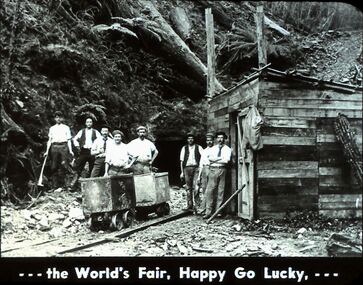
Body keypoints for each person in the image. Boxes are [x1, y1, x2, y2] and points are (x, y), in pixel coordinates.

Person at [203, 131, 232, 219]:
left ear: (224, 139)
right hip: (213, 170)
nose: (220, 139)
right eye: (218, 138)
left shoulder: (227, 149)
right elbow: (209, 159)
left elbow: (226, 160)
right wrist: (220, 158)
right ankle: (208, 212)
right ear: (216, 139)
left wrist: (215, 159)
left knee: (221, 191)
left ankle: (218, 212)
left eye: (222, 138)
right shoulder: (213, 148)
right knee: (210, 191)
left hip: (222, 170)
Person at [44, 111, 74, 189]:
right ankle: (55, 186)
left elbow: (69, 140)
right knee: (54, 166)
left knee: (64, 165)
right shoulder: (52, 128)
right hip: (54, 147)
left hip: (64, 146)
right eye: (57, 117)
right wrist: (47, 151)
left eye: (60, 117)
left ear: (62, 118)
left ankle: (67, 185)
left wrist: (70, 150)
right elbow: (49, 140)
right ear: (55, 118)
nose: (58, 119)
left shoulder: (66, 127)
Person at [70, 117, 101, 189]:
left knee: (92, 167)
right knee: (79, 167)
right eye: (87, 122)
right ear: (85, 123)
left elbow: (100, 140)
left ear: (92, 123)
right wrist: (77, 146)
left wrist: (97, 148)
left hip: (92, 151)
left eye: (90, 122)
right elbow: (75, 139)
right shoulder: (82, 131)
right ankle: (73, 185)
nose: (89, 123)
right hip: (83, 151)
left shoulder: (95, 132)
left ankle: (91, 185)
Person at [179, 133, 203, 211]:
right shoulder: (184, 148)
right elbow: (182, 161)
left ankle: (197, 206)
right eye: (189, 138)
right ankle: (189, 205)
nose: (190, 140)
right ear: (187, 140)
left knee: (196, 187)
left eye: (192, 138)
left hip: (196, 168)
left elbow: (203, 158)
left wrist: (200, 169)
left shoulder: (199, 147)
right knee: (188, 188)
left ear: (194, 139)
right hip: (187, 169)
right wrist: (182, 172)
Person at [196, 132, 214, 214]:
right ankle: (205, 209)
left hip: (212, 169)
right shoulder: (204, 151)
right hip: (204, 169)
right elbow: (201, 164)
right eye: (207, 141)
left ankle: (210, 209)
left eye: (210, 140)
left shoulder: (215, 149)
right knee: (204, 189)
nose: (209, 142)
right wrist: (199, 176)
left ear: (213, 141)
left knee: (211, 190)